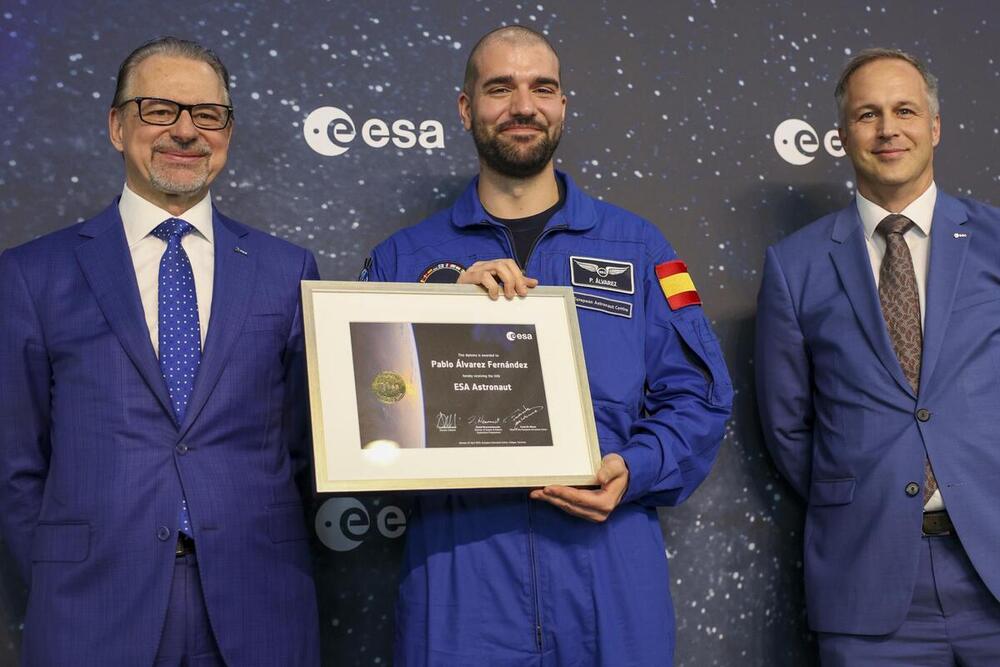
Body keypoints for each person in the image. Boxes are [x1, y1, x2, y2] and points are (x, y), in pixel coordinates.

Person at [362, 26, 732, 665]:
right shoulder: (405, 260)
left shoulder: (638, 248)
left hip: (607, 564)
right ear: (465, 107)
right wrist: (437, 309)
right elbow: (362, 412)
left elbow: (698, 395)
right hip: (459, 571)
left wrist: (635, 468)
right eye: (499, 88)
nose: (523, 106)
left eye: (542, 88)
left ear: (562, 106)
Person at [0, 37, 320, 665]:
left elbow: (309, 445)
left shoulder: (288, 269)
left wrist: (457, 307)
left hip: (258, 604)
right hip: (89, 608)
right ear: (117, 126)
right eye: (158, 110)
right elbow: (14, 466)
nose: (185, 131)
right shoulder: (31, 275)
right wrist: (57, 583)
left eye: (207, 114)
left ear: (226, 131)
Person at [756, 48, 1000, 665]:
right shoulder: (795, 265)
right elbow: (789, 426)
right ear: (843, 136)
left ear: (935, 127)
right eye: (868, 114)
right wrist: (870, 488)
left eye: (905, 110)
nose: (888, 128)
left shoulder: (996, 241)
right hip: (866, 585)